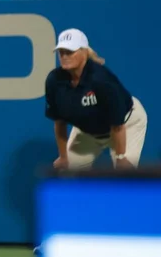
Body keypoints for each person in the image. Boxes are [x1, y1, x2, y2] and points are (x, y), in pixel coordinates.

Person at [46, 28, 148, 170]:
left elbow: (118, 125)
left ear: (84, 52)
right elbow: (59, 123)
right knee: (65, 173)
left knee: (124, 177)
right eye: (61, 52)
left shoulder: (101, 79)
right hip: (88, 132)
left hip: (126, 123)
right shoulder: (54, 81)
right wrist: (63, 157)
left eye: (70, 52)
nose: (64, 56)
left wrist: (120, 157)